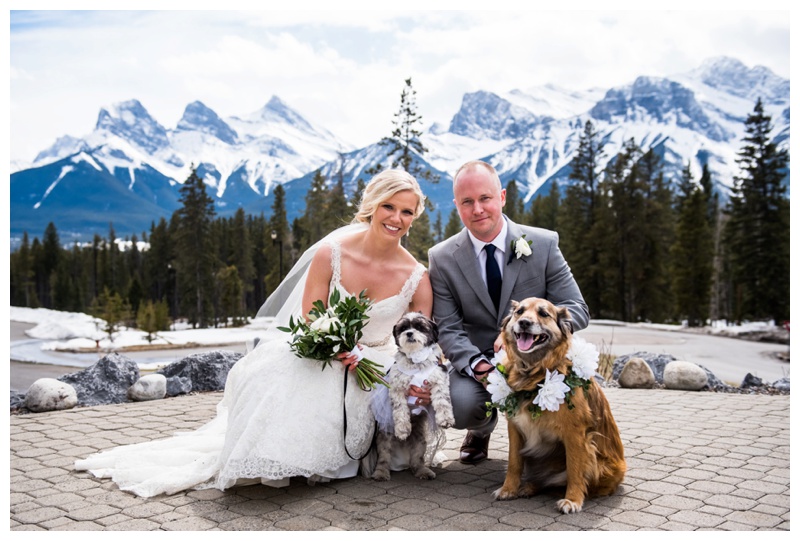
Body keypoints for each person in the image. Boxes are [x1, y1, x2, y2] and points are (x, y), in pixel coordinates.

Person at [75, 169, 434, 497]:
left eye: (406, 212)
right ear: (372, 206)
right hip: (328, 349)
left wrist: (377, 362)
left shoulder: (416, 275)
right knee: (281, 374)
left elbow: (419, 346)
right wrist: (336, 344)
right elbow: (312, 315)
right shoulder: (331, 254)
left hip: (378, 357)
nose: (396, 219)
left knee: (386, 410)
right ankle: (277, 454)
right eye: (389, 206)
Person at [427, 160, 589, 465]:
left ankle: (545, 440)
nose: (478, 209)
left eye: (485, 198)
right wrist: (478, 366)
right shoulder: (442, 258)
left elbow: (578, 309)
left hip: (539, 362)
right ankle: (480, 429)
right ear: (456, 206)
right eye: (467, 202)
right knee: (460, 405)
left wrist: (538, 335)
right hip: (479, 360)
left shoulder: (543, 243)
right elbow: (447, 327)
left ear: (501, 196)